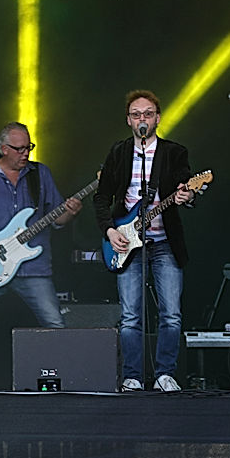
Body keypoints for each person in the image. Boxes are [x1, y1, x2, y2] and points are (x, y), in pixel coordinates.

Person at [0, 122, 82, 388]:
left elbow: (58, 220)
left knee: (55, 325)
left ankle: (62, 382)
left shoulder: (40, 174)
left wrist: (70, 211)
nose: (26, 153)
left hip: (33, 268)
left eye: (29, 147)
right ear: (3, 149)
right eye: (19, 148)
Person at [93, 90, 194, 393]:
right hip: (126, 240)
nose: (142, 119)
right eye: (136, 114)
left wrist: (186, 195)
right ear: (128, 120)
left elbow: (185, 186)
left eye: (148, 113)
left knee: (171, 314)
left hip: (164, 241)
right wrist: (110, 231)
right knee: (130, 316)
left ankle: (165, 373)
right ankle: (132, 375)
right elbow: (101, 196)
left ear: (158, 118)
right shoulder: (120, 152)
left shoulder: (174, 152)